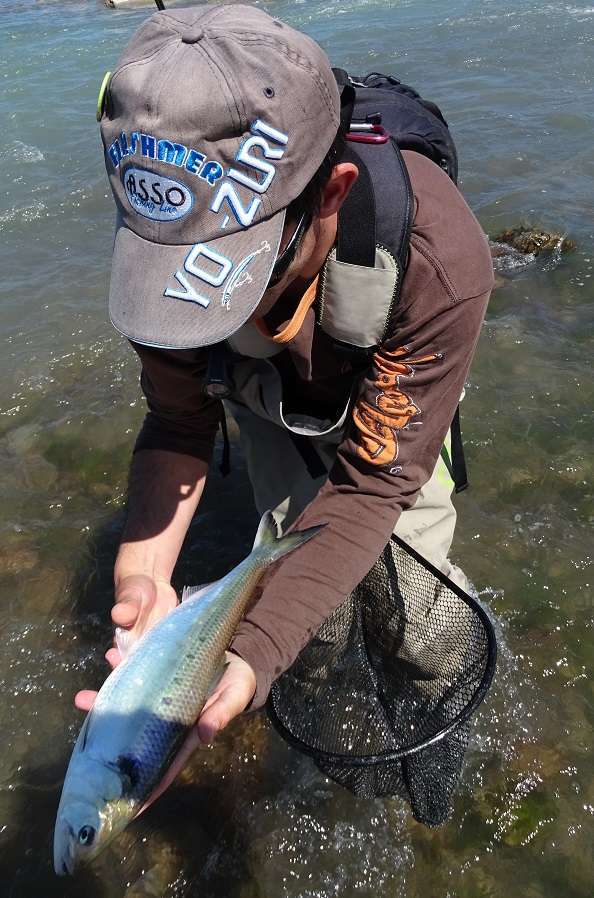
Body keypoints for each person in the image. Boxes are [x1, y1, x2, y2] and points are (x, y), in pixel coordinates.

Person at [76, 4, 494, 800]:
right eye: (176, 278)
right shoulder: (164, 228)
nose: (196, 306)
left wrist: (257, 643)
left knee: (421, 622)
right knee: (309, 622)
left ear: (333, 193)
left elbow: (374, 483)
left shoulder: (442, 257)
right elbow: (177, 420)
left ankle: (433, 734)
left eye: (229, 272)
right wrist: (145, 586)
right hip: (268, 397)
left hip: (387, 389)